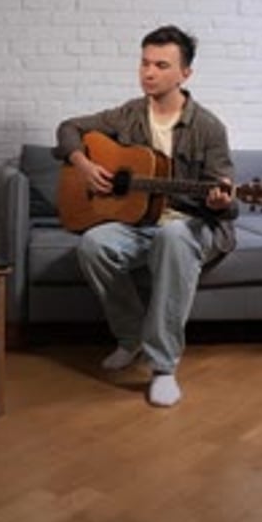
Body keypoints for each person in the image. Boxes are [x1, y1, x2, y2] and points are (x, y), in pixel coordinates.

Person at [54, 25, 237, 407]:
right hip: (140, 223)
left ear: (185, 73)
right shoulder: (128, 115)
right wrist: (83, 165)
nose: (148, 72)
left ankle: (163, 368)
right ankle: (131, 336)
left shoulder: (208, 127)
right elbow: (68, 128)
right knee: (93, 244)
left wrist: (221, 200)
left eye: (160, 65)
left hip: (192, 225)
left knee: (173, 237)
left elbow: (227, 198)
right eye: (144, 63)